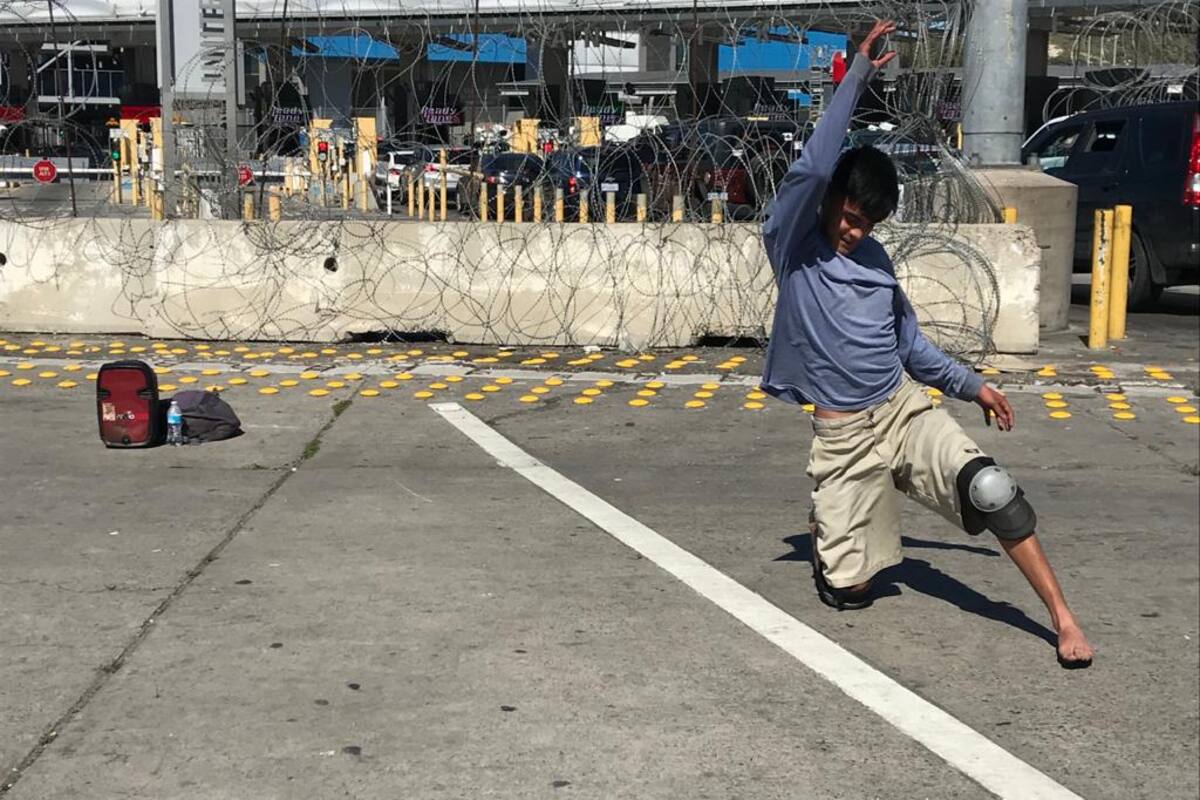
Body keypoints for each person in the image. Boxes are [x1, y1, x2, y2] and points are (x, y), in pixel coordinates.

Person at [760, 20, 1094, 668]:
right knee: (853, 592)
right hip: (843, 436)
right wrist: (857, 75)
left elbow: (910, 347)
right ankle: (834, 525)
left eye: (868, 224)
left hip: (901, 409)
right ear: (829, 201)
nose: (855, 232)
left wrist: (975, 387)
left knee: (991, 488)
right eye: (850, 216)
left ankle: (1061, 617)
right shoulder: (795, 245)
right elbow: (812, 166)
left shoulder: (877, 261)